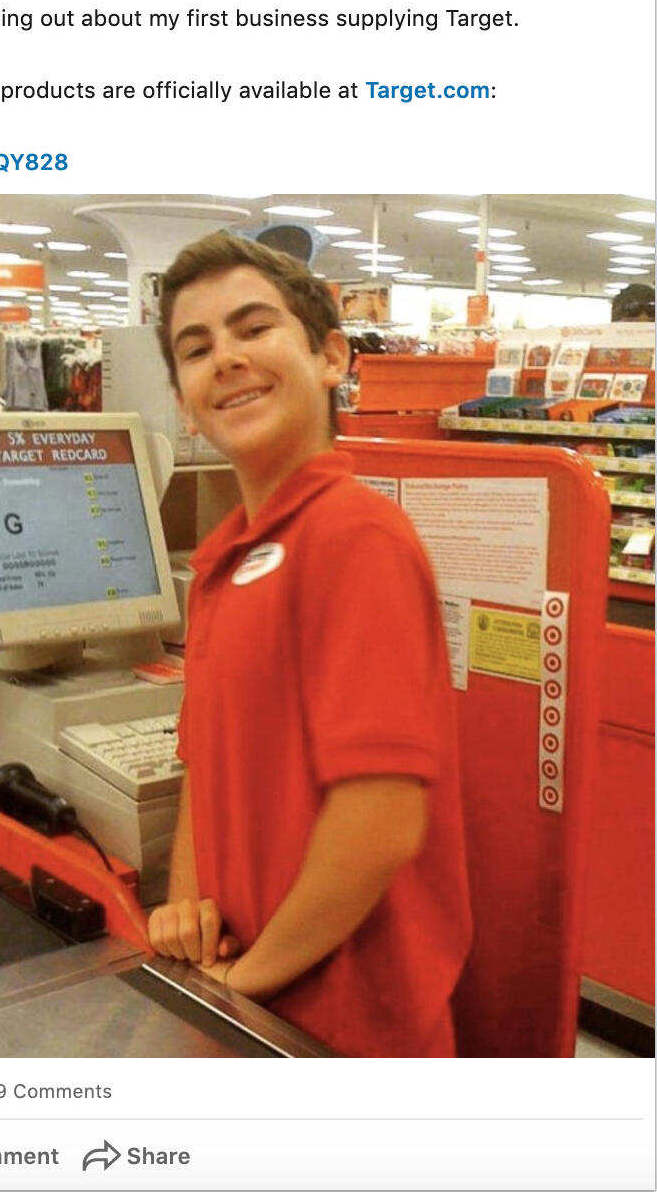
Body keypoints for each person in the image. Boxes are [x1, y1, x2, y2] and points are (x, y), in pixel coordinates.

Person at [147, 231, 472, 1057]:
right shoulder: (223, 560)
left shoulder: (356, 537)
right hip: (251, 1007)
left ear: (330, 357)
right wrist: (189, 919)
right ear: (182, 401)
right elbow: (203, 771)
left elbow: (381, 821)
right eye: (196, 348)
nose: (227, 358)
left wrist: (239, 984)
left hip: (348, 1030)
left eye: (254, 328)